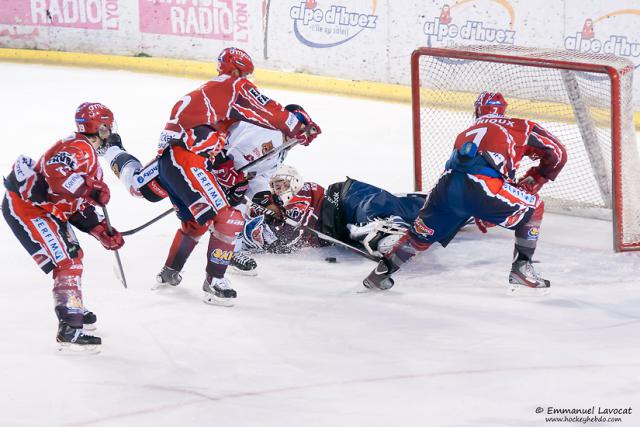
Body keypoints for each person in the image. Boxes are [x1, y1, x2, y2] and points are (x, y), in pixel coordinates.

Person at [105, 47, 320, 305]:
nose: (247, 80)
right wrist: (299, 127)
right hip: (188, 157)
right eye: (245, 74)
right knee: (225, 218)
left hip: (183, 158)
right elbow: (265, 116)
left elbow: (257, 178)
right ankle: (214, 281)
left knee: (145, 189)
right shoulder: (234, 90)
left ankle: (111, 149)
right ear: (238, 71)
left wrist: (266, 200)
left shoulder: (276, 149)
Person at [362, 92, 567, 292]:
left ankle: (379, 275)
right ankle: (522, 268)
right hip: (483, 186)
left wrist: (479, 207)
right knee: (535, 207)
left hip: (445, 187)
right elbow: (558, 152)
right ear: (503, 111)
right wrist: (536, 178)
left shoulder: (466, 133)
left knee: (419, 237)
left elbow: (465, 176)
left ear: (478, 111)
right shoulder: (520, 126)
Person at [2, 102, 125, 352]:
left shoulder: (87, 156)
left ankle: (73, 306)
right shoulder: (80, 148)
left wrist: (101, 230)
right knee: (68, 262)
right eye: (107, 127)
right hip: (28, 207)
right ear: (100, 127)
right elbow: (55, 171)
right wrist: (87, 187)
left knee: (73, 257)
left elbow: (76, 204)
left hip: (47, 209)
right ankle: (70, 328)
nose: (109, 132)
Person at [240, 165, 427, 257]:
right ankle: (388, 227)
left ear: (295, 181)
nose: (280, 190)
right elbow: (281, 242)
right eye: (276, 187)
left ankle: (387, 227)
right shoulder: (282, 217)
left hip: (346, 199)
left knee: (375, 206)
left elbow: (293, 232)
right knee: (407, 211)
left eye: (283, 184)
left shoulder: (304, 192)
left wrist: (275, 220)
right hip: (344, 227)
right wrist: (270, 218)